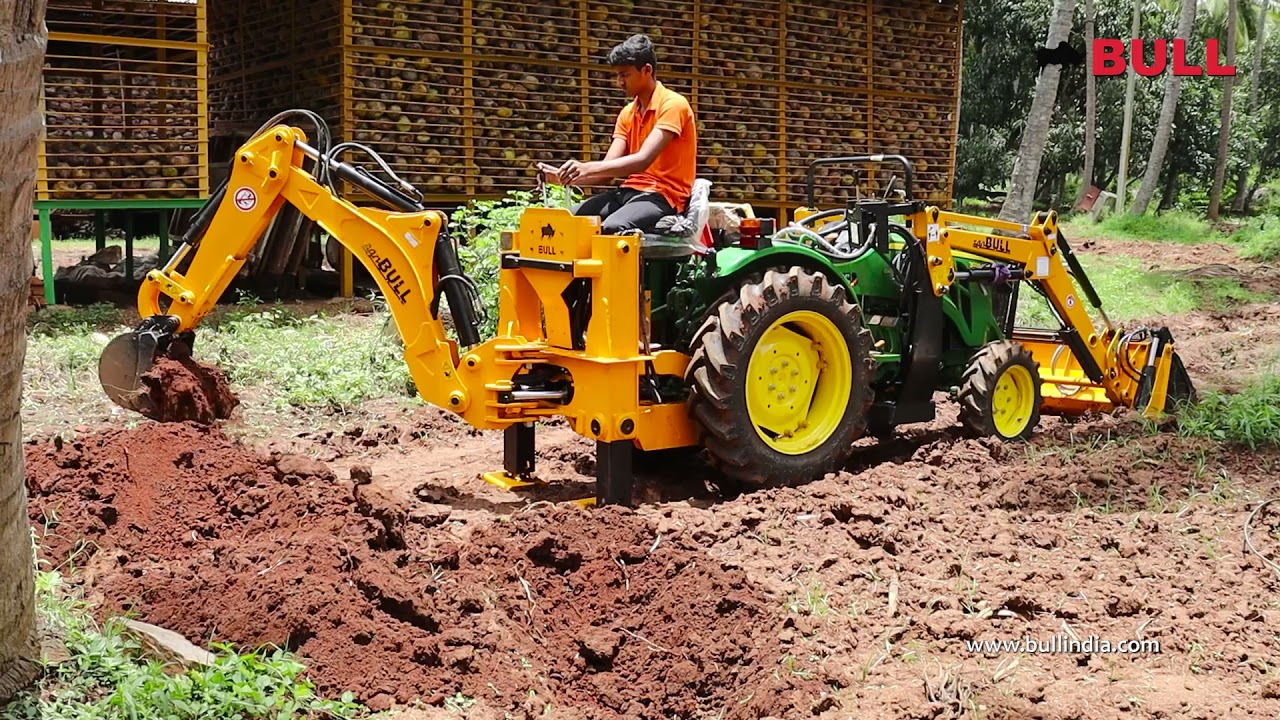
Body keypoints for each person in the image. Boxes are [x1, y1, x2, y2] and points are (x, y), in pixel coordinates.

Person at [538, 34, 697, 235]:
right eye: (617, 76)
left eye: (625, 75)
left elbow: (642, 160)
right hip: (628, 192)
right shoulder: (628, 113)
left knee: (613, 227)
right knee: (567, 222)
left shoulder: (673, 105)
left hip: (664, 196)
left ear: (647, 70)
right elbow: (606, 173)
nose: (619, 82)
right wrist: (560, 177)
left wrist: (585, 167)